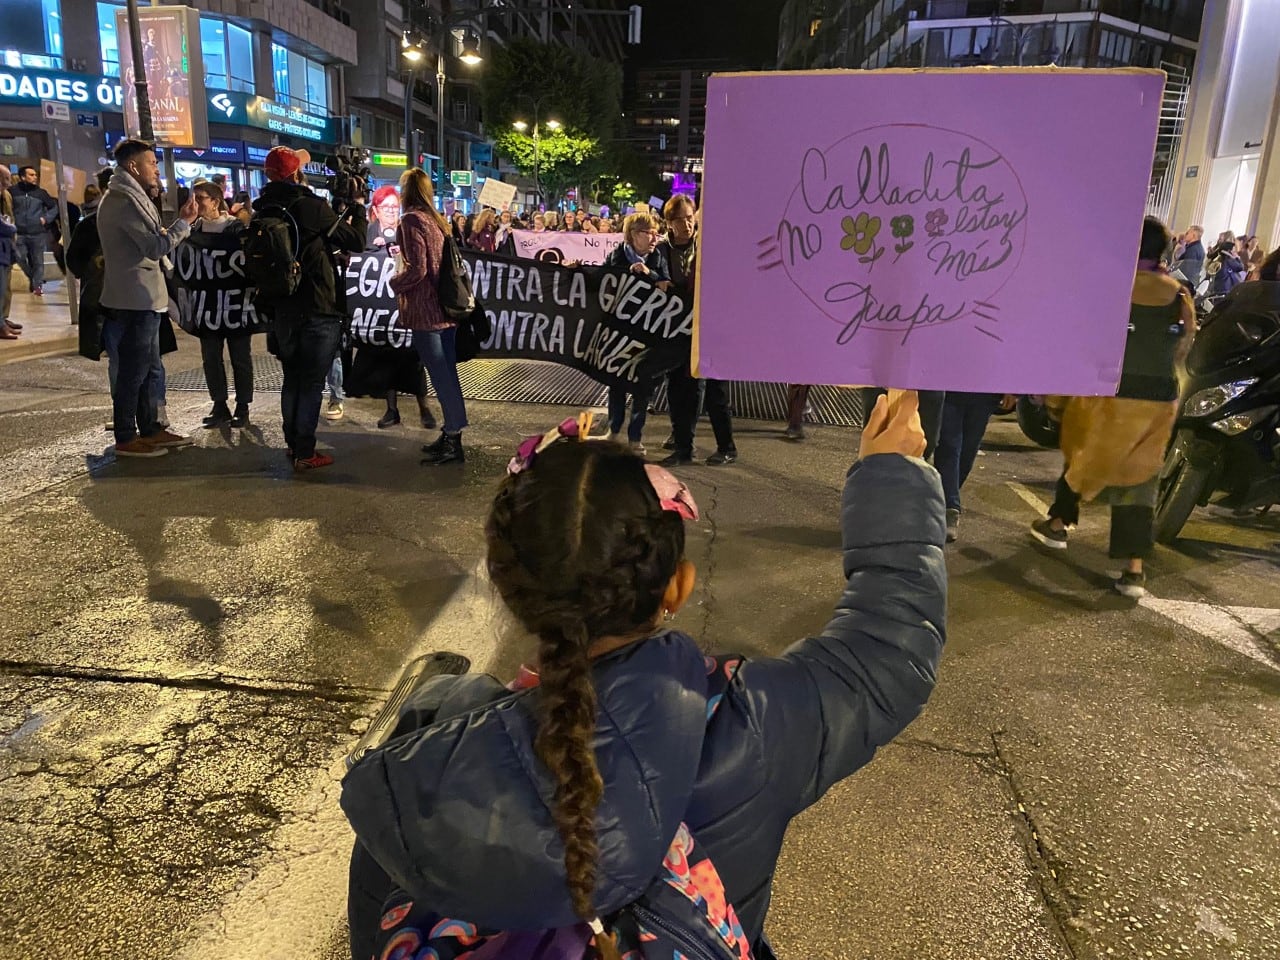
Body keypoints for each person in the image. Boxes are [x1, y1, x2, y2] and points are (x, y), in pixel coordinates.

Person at [341, 392, 945, 960]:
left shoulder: (420, 756)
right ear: (676, 589)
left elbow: (376, 919)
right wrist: (892, 475)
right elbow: (889, 647)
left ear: (506, 586)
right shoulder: (749, 724)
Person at [1031, 216, 1195, 597]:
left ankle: (1058, 525)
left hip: (1109, 391)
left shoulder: (1109, 289)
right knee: (1140, 476)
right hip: (1158, 398)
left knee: (1084, 455)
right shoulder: (1178, 294)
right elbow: (1185, 345)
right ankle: (1133, 570)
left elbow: (1082, 341)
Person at [252, 146, 367, 471]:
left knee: (292, 378)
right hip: (318, 306)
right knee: (313, 382)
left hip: (282, 308)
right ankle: (305, 451)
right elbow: (356, 240)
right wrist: (357, 206)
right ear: (296, 174)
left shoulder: (264, 210)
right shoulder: (311, 207)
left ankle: (294, 444)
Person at [97, 139, 199, 458]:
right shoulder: (123, 202)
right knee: (134, 370)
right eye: (152, 162)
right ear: (133, 166)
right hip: (134, 298)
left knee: (150, 368)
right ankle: (127, 436)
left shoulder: (133, 197)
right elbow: (153, 247)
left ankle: (151, 429)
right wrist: (183, 224)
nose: (156, 169)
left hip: (146, 297)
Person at [390, 167, 468, 466]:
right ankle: (452, 434)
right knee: (448, 374)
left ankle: (452, 438)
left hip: (426, 312)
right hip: (446, 309)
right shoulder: (437, 221)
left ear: (406, 191)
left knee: (441, 376)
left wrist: (395, 282)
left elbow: (417, 269)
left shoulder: (411, 220)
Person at [658, 195, 738, 467]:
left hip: (709, 328)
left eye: (690, 217)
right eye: (679, 219)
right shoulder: (661, 251)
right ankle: (683, 448)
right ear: (669, 223)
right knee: (680, 389)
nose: (686, 224)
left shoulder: (707, 247)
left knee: (715, 389)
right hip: (676, 330)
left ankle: (726, 447)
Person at [602, 212, 670, 454]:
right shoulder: (617, 256)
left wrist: (649, 274)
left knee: (643, 384)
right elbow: (603, 282)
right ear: (633, 235)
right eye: (649, 232)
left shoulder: (657, 256)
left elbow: (665, 285)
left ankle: (635, 436)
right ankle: (613, 429)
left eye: (656, 232)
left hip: (647, 331)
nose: (654, 238)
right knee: (617, 381)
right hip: (620, 330)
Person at [189, 181, 254, 429]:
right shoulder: (194, 230)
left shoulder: (235, 228)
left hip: (236, 305)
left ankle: (243, 405)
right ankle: (219, 404)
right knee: (211, 358)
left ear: (215, 201)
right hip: (208, 307)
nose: (195, 203)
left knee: (240, 358)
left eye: (200, 198)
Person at [934, 392, 1015, 542]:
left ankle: (943, 498)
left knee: (968, 449)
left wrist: (1012, 389)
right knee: (949, 445)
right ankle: (950, 507)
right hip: (948, 387)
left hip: (985, 391)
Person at [10, 165, 58, 297]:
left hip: (37, 232)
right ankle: (33, 277)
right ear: (22, 177)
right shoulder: (12, 192)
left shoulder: (41, 193)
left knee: (38, 261)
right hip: (19, 232)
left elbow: (53, 207)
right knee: (19, 257)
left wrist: (45, 219)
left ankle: (37, 286)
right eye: (31, 175)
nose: (35, 177)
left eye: (35, 175)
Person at [0, 167, 17, 339]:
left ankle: (4, 319)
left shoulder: (6, 195)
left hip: (7, 246)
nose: (9, 181)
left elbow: (10, 217)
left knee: (6, 286)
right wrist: (11, 228)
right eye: (6, 177)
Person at [367, 185, 400, 250]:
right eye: (385, 207)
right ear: (375, 210)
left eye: (395, 206)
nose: (391, 210)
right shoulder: (366, 233)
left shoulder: (408, 232)